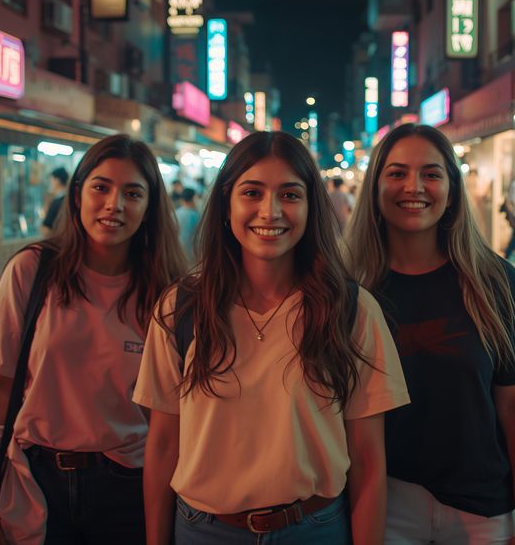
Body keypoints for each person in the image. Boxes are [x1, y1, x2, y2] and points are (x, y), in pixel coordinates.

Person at [135, 131, 410, 544]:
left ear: (310, 207)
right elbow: (160, 446)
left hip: (315, 529)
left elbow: (369, 462)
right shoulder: (181, 307)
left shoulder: (350, 309)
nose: (270, 211)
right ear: (227, 205)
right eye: (252, 192)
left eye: (290, 195)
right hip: (203, 531)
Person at [0, 136, 187, 544]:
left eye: (132, 193)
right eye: (101, 187)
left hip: (128, 485)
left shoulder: (167, 291)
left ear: (150, 206)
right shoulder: (32, 270)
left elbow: (171, 417)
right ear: (77, 195)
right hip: (34, 480)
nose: (114, 204)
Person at [344, 124, 515, 545]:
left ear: (452, 189)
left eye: (432, 174)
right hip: (383, 505)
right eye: (397, 173)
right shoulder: (348, 288)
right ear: (375, 186)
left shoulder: (494, 282)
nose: (414, 187)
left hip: (481, 509)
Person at [40, 167, 69, 236]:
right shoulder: (71, 199)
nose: (51, 183)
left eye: (52, 180)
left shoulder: (56, 202)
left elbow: (46, 229)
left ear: (57, 181)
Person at [174, 187, 200, 264]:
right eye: (196, 198)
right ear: (192, 199)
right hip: (193, 257)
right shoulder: (195, 216)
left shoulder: (175, 214)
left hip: (177, 256)